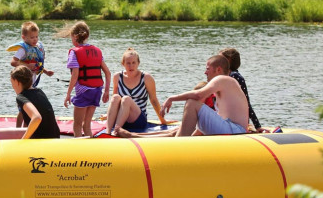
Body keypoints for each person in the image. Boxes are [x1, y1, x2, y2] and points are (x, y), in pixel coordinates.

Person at [117, 55, 248, 138]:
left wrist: (172, 98)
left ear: (218, 70)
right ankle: (138, 136)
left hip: (235, 131)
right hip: (228, 127)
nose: (205, 72)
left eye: (208, 68)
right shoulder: (223, 87)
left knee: (192, 103)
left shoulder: (223, 79)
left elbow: (198, 95)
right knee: (179, 128)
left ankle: (178, 145)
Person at [62, 21, 111, 137]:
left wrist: (68, 94)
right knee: (87, 125)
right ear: (87, 36)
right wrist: (107, 91)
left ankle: (78, 152)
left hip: (84, 91)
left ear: (74, 37)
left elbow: (75, 76)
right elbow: (108, 73)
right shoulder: (97, 51)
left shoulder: (74, 52)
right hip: (97, 91)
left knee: (77, 125)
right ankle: (91, 151)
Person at [105, 48, 167, 135]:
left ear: (138, 63)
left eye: (134, 63)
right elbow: (114, 102)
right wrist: (108, 116)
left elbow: (153, 100)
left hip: (138, 119)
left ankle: (116, 131)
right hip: (121, 117)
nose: (131, 66)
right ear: (123, 64)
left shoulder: (146, 78)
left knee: (126, 99)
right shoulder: (117, 77)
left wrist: (163, 121)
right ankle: (107, 133)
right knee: (115, 97)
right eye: (128, 63)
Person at [0, 66, 60, 139]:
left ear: (17, 82)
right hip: (55, 136)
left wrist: (24, 139)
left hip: (42, 141)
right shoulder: (40, 92)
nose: (12, 86)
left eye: (12, 83)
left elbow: (37, 118)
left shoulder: (21, 97)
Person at [219, 47, 262, 131]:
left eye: (220, 59)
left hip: (235, 120)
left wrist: (257, 126)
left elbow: (246, 102)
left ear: (229, 60)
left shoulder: (235, 76)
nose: (217, 60)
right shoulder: (224, 76)